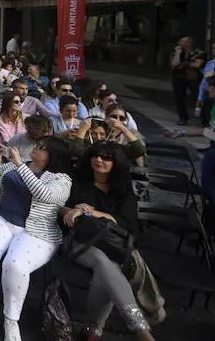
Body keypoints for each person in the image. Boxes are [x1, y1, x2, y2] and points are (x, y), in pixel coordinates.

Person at [62, 141, 161, 340]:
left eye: (107, 157)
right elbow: (60, 207)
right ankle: (140, 328)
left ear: (116, 162)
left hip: (112, 244)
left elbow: (127, 223)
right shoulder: (77, 179)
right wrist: (72, 211)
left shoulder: (122, 188)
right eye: (96, 155)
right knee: (101, 260)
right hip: (79, 240)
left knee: (106, 267)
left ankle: (93, 330)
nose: (99, 160)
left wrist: (94, 213)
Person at [0, 136, 72, 341]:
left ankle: (11, 319)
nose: (35, 149)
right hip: (3, 216)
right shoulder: (18, 165)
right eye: (37, 145)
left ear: (53, 156)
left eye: (41, 148)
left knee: (15, 265)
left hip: (37, 230)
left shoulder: (61, 180)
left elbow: (43, 193)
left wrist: (20, 165)